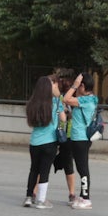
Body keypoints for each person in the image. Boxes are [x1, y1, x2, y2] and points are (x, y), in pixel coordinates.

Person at [23, 74, 62, 208]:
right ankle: (41, 200)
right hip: (50, 142)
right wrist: (58, 95)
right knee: (44, 171)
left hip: (34, 142)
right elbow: (63, 118)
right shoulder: (55, 102)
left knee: (34, 169)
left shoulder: (31, 104)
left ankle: (28, 197)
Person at [60, 72, 98, 209]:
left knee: (83, 169)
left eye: (78, 85)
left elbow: (65, 99)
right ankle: (82, 197)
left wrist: (74, 86)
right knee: (82, 168)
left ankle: (86, 199)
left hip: (81, 138)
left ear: (82, 86)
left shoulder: (86, 101)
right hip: (81, 138)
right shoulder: (90, 99)